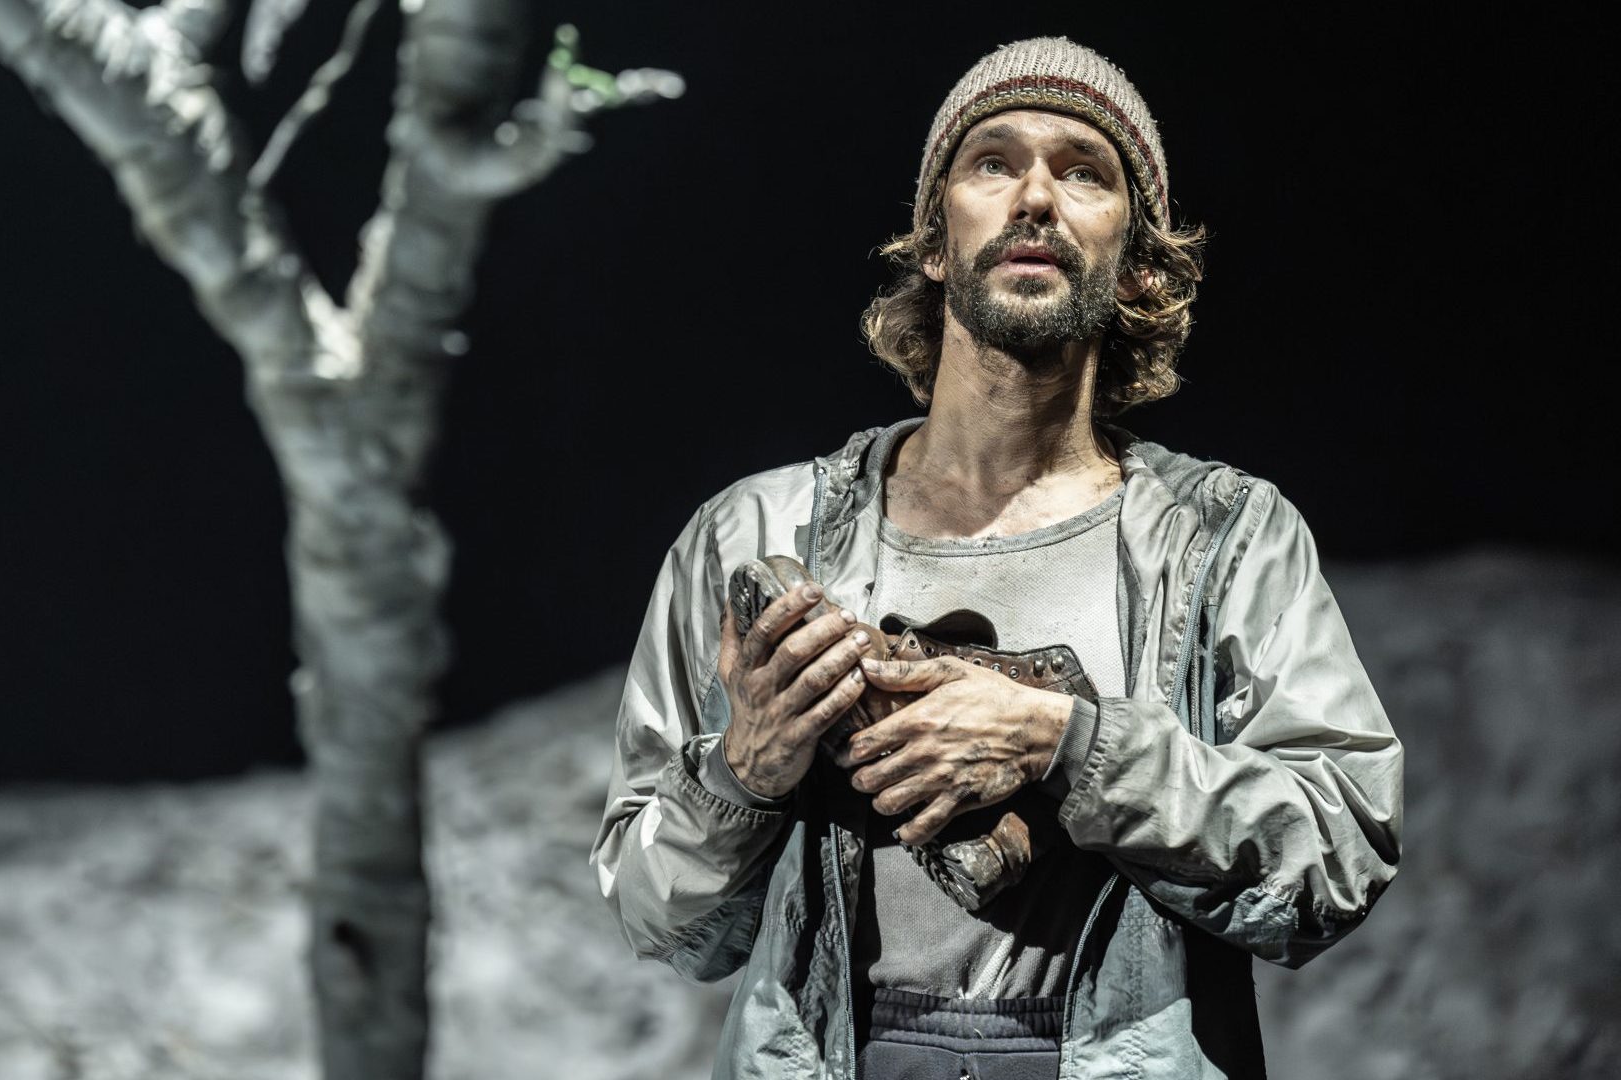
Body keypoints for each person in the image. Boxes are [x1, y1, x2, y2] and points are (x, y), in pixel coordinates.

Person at [592, 36, 1403, 1080]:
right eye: (993, 163)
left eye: (1083, 171)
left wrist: (1068, 746)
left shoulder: (1226, 543)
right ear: (935, 241)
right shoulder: (754, 537)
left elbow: (1338, 855)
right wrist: (748, 773)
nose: (1034, 196)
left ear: (1140, 262)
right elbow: (663, 923)